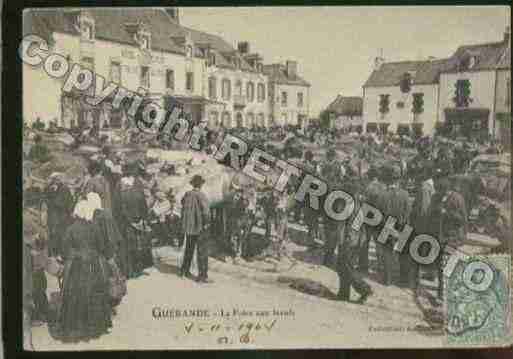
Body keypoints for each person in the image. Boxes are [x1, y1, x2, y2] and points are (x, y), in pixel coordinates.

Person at [56, 193, 114, 343]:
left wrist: (69, 256)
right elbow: (102, 246)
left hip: (76, 266)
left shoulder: (70, 228)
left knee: (75, 295)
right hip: (93, 265)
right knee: (95, 294)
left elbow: (63, 250)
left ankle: (76, 328)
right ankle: (95, 327)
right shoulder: (94, 227)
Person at [336, 180, 373, 304]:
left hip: (349, 241)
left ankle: (364, 289)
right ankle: (343, 293)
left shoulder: (348, 205)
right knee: (343, 267)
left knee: (346, 268)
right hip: (356, 241)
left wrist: (341, 241)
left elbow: (342, 225)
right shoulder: (359, 205)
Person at [430, 178, 468, 300]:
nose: (442, 194)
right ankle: (442, 292)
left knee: (446, 266)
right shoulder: (437, 197)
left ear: (448, 190)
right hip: (440, 236)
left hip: (452, 237)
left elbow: (462, 219)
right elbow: (432, 212)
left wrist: (446, 213)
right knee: (441, 265)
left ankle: (443, 294)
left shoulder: (458, 199)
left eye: (443, 192)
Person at [118, 162, 152, 278]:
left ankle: (131, 269)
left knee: (131, 245)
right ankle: (133, 269)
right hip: (132, 219)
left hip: (128, 220)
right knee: (135, 245)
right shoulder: (134, 184)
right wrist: (143, 218)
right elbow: (142, 202)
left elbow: (119, 205)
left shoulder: (121, 184)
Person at [180, 175, 212, 283]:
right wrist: (207, 223)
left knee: (189, 249)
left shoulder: (187, 194)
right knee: (202, 251)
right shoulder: (201, 195)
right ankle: (202, 276)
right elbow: (206, 212)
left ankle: (184, 271)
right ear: (201, 184)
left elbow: (182, 203)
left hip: (189, 227)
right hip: (200, 227)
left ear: (192, 184)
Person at [358, 166, 387, 274]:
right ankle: (381, 266)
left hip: (368, 219)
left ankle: (363, 265)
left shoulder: (369, 188)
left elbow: (364, 203)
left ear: (370, 176)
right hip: (380, 219)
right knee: (379, 245)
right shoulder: (383, 187)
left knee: (365, 243)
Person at [45, 173, 74, 257]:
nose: (53, 181)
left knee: (59, 236)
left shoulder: (64, 189)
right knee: (55, 235)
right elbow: (48, 200)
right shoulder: (50, 188)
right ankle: (55, 255)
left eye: (55, 180)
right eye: (53, 180)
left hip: (61, 217)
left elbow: (62, 203)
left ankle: (59, 255)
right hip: (56, 217)